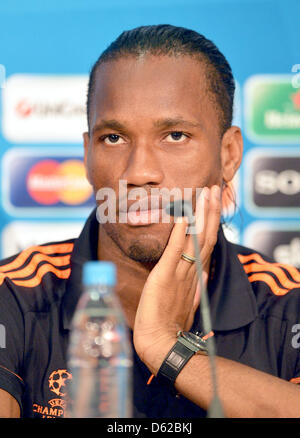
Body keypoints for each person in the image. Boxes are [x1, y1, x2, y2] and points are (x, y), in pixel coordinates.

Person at [1, 24, 300, 419]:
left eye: (175, 135)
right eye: (113, 138)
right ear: (87, 156)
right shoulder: (15, 294)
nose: (140, 171)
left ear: (228, 154)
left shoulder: (288, 302)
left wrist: (167, 349)